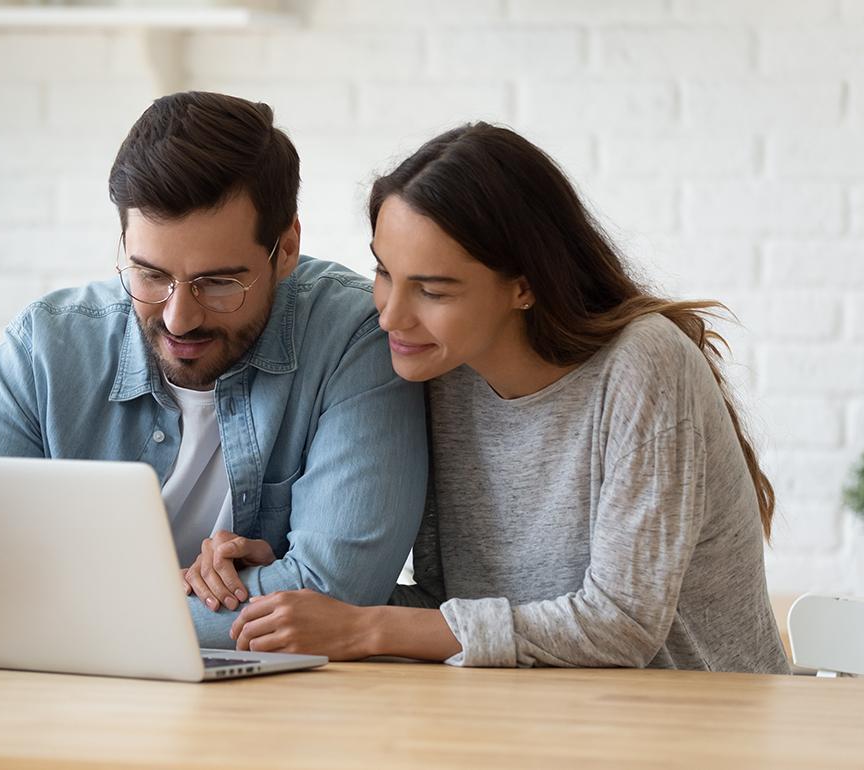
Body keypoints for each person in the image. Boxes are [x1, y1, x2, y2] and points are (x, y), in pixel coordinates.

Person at [193, 123, 791, 674]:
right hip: (542, 723)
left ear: (524, 285)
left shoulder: (642, 364)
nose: (391, 315)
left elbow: (622, 626)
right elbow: (449, 610)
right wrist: (284, 591)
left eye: (432, 289)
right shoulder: (440, 374)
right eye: (383, 274)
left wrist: (367, 626)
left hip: (701, 723)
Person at [0, 91, 428, 650]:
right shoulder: (47, 347)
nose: (179, 317)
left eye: (218, 283)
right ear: (122, 244)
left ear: (285, 248)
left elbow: (336, 595)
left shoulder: (354, 338)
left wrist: (42, 606)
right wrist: (164, 597)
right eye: (149, 275)